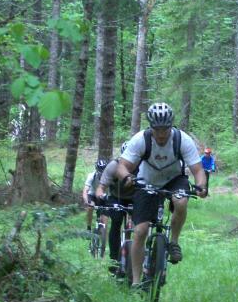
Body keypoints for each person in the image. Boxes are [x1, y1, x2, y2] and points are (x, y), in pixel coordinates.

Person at [116, 102, 208, 287]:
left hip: (174, 179)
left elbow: (198, 171)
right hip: (146, 180)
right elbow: (122, 165)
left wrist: (201, 186)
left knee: (181, 202)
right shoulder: (141, 139)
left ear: (170, 126)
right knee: (140, 231)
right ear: (151, 127)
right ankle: (135, 281)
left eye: (165, 129)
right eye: (156, 129)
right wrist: (126, 177)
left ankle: (173, 242)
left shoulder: (182, 140)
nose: (161, 134)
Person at [96, 142, 136, 274]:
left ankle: (133, 253)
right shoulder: (113, 166)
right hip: (116, 197)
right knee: (116, 222)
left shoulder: (142, 166)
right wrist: (101, 195)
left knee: (138, 225)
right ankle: (114, 259)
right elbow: (101, 187)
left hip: (134, 198)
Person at [82, 158, 109, 233]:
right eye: (100, 170)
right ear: (97, 170)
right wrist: (86, 201)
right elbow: (85, 190)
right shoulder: (92, 176)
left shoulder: (109, 176)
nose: (102, 173)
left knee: (104, 220)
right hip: (92, 195)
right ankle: (88, 227)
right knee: (90, 207)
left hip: (104, 196)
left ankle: (102, 235)